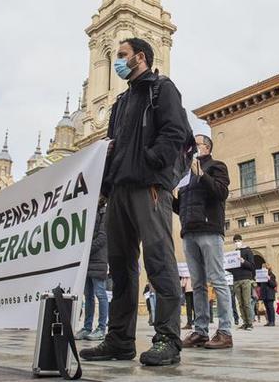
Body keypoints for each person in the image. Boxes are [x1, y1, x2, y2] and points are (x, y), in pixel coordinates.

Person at [80, 37, 192, 366]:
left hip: (149, 187)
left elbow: (175, 132)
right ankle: (119, 341)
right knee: (121, 268)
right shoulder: (121, 103)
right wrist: (103, 187)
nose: (117, 61)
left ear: (138, 58)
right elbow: (112, 147)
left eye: (122, 55)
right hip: (118, 193)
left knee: (159, 261)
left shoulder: (161, 88)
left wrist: (153, 163)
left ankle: (168, 338)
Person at [173, 134, 233, 349]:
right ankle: (200, 331)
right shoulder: (186, 174)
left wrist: (202, 175)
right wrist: (173, 197)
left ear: (206, 147)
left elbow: (221, 192)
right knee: (197, 284)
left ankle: (225, 332)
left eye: (195, 145)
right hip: (189, 232)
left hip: (209, 230)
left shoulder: (217, 166)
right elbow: (181, 208)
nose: (191, 149)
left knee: (217, 280)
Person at [77, 199, 109, 342]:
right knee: (87, 295)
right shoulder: (88, 212)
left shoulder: (104, 212)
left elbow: (103, 237)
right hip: (87, 261)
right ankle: (87, 327)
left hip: (98, 259)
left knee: (100, 294)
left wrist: (86, 250)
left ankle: (101, 328)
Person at [228, 234, 257, 330]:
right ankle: (245, 322)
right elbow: (233, 269)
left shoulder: (248, 251)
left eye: (238, 240)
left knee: (246, 302)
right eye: (235, 241)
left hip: (245, 279)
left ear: (241, 240)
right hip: (236, 280)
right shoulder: (234, 253)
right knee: (240, 303)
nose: (237, 242)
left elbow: (252, 266)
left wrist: (243, 261)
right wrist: (227, 266)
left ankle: (250, 323)